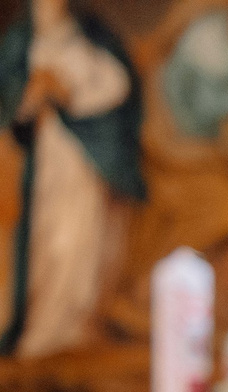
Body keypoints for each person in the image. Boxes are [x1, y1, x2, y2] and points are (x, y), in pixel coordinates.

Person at [0, 0, 142, 359]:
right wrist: (31, 99)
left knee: (80, 239)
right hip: (43, 162)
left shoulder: (90, 38)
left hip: (82, 162)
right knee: (47, 241)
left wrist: (71, 95)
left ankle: (73, 330)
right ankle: (42, 329)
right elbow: (11, 108)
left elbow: (119, 86)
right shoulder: (20, 45)